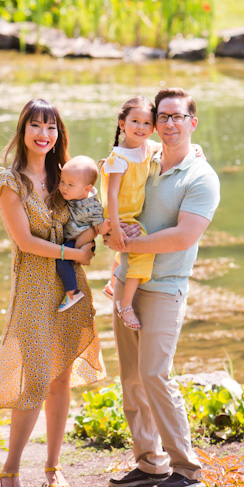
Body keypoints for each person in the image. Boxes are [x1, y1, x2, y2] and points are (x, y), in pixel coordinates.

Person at [0, 99, 106, 487]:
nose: (44, 134)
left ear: (59, 134)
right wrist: (75, 254)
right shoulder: (11, 181)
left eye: (51, 127)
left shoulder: (66, 177)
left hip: (70, 290)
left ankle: (54, 466)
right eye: (36, 125)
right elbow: (25, 241)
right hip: (34, 290)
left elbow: (97, 206)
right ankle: (10, 469)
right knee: (33, 380)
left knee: (60, 379)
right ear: (23, 131)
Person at [105, 87, 220, 487]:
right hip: (127, 283)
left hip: (165, 288)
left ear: (192, 122)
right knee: (132, 378)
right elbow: (122, 203)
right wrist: (117, 251)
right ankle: (150, 463)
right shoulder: (145, 158)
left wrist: (128, 244)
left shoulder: (201, 176)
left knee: (155, 374)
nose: (168, 123)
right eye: (163, 116)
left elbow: (182, 237)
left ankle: (186, 469)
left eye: (177, 116)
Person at [100, 96, 161, 330]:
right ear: (122, 123)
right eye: (135, 121)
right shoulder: (120, 158)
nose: (141, 127)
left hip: (132, 214)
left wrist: (195, 147)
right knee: (145, 249)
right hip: (120, 215)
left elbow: (166, 147)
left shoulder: (147, 147)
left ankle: (112, 283)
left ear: (153, 128)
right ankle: (125, 303)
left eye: (147, 123)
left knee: (135, 248)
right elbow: (112, 195)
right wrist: (115, 228)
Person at [56, 155, 110, 312]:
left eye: (70, 184)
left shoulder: (93, 207)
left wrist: (105, 226)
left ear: (87, 188)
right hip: (71, 236)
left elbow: (98, 228)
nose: (64, 187)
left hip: (80, 240)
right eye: (62, 182)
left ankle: (72, 292)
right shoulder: (71, 195)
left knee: (61, 260)